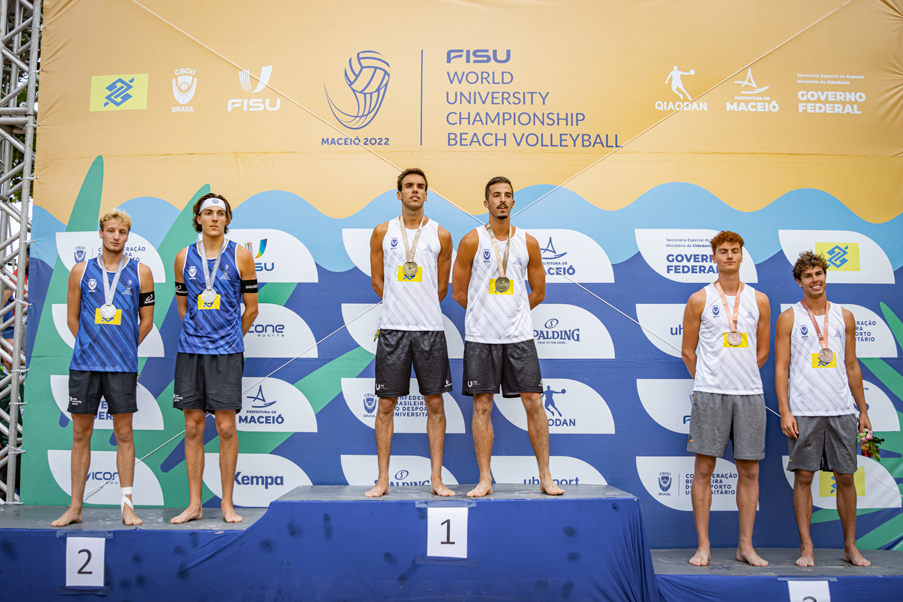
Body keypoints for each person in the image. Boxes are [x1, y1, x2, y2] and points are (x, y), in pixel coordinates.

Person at [453, 176, 563, 498]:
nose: (502, 200)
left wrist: (515, 310)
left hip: (519, 337)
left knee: (534, 403)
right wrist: (487, 311)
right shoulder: (471, 241)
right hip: (481, 337)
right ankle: (485, 479)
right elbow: (459, 292)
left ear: (514, 203)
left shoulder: (528, 243)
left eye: (508, 196)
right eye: (496, 196)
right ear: (485, 203)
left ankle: (545, 476)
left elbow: (539, 292)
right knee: (482, 407)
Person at [52, 210, 155, 527]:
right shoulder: (81, 271)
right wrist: (88, 345)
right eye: (110, 230)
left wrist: (124, 347)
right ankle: (75, 507)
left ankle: (127, 506)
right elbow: (72, 318)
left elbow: (146, 321)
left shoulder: (142, 272)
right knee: (80, 434)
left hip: (122, 366)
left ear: (128, 236)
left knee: (124, 434)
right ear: (100, 233)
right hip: (85, 365)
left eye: (122, 232)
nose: (116, 237)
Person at [775, 251, 871, 567]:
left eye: (819, 273)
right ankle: (807, 549)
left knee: (846, 478)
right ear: (799, 282)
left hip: (842, 410)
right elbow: (781, 367)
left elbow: (852, 365)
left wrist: (864, 411)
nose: (815, 280)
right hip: (804, 411)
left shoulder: (845, 316)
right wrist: (785, 411)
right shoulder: (789, 317)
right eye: (808, 276)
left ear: (825, 276)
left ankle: (850, 547)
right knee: (804, 476)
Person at [680, 230, 770, 566]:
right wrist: (708, 380)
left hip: (748, 394)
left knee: (749, 472)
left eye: (734, 251)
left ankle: (745, 546)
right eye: (723, 251)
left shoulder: (759, 300)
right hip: (710, 394)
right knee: (703, 469)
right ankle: (703, 546)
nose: (729, 256)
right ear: (714, 257)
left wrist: (738, 375)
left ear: (742, 256)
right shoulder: (699, 299)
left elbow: (762, 352)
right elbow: (688, 351)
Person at [366, 168, 455, 498]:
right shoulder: (381, 232)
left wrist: (419, 307)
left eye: (420, 187)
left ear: (427, 194)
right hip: (392, 330)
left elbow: (441, 287)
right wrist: (400, 306)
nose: (414, 191)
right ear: (399, 193)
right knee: (386, 406)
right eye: (408, 187)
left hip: (430, 330)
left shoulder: (441, 235)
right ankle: (383, 480)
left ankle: (436, 479)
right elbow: (378, 282)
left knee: (435, 404)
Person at [170, 193, 258, 524]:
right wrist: (200, 333)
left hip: (227, 353)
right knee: (192, 428)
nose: (215, 218)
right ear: (199, 219)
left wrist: (231, 337)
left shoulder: (242, 256)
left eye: (220, 213)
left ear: (227, 220)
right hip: (191, 351)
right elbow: (184, 307)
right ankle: (194, 505)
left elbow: (252, 308)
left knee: (225, 427)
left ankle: (227, 504)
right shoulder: (183, 257)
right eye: (208, 213)